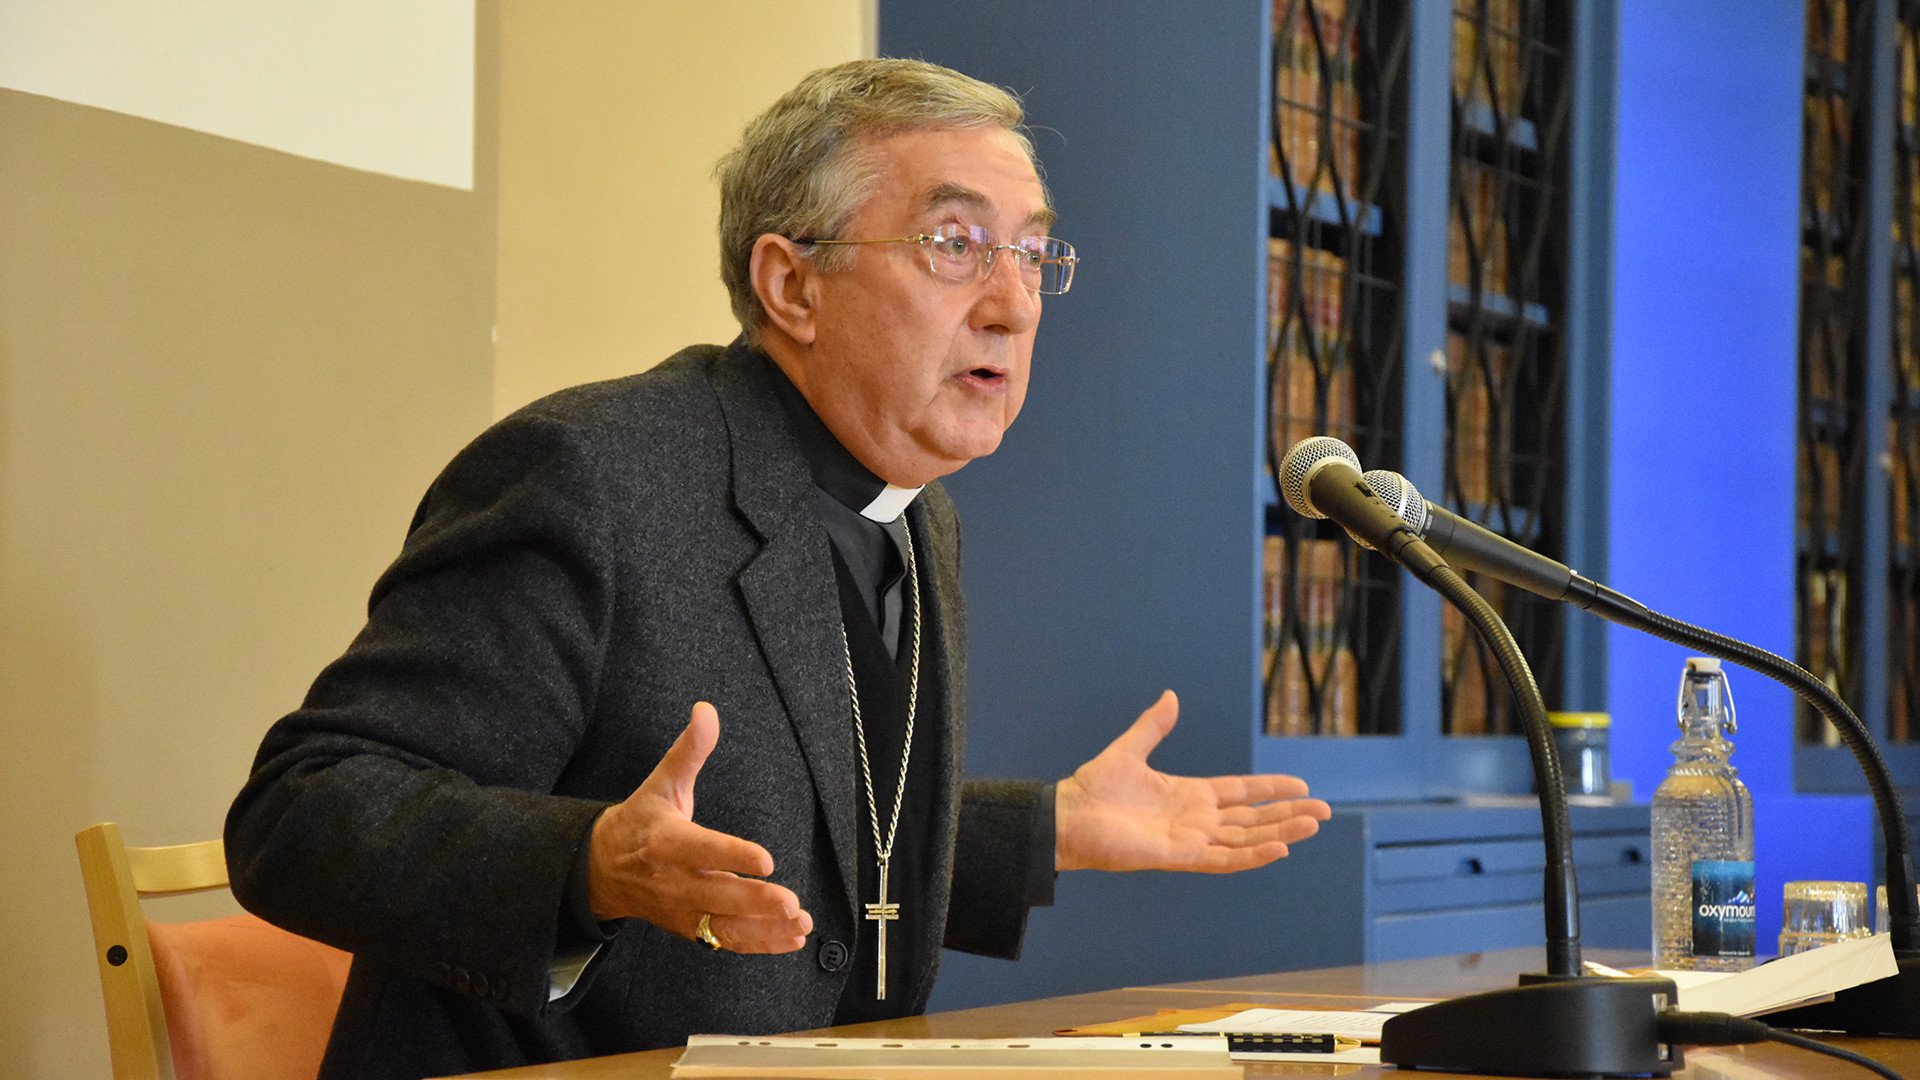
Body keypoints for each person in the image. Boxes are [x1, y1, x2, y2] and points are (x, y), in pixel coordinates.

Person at [225, 57, 1332, 1080]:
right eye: (955, 244)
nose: (1014, 301)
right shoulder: (593, 476)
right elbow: (301, 814)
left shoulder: (916, 513)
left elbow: (819, 837)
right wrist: (592, 865)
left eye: (1033, 252)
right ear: (792, 286)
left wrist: (1048, 828)